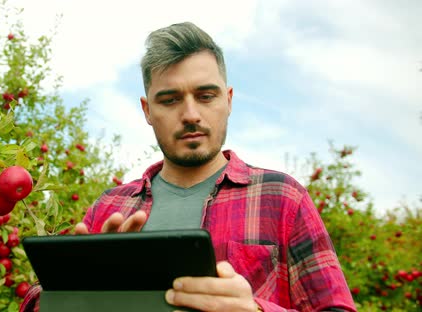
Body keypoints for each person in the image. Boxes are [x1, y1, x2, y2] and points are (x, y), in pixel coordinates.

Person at [21, 22, 356, 311]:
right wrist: (70, 293)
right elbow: (39, 301)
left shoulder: (281, 199)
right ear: (147, 110)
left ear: (229, 100)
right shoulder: (110, 208)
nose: (191, 114)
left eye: (206, 96)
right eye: (170, 100)